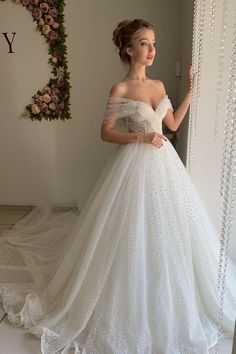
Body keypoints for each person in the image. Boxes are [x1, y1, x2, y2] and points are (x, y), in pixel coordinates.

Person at [0, 18, 236, 354]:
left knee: (168, 229)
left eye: (153, 43)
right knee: (128, 230)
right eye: (144, 43)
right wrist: (140, 136)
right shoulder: (120, 89)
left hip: (165, 165)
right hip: (135, 164)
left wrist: (191, 93)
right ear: (127, 48)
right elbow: (106, 132)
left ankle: (162, 288)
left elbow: (171, 124)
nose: (152, 50)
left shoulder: (159, 87)